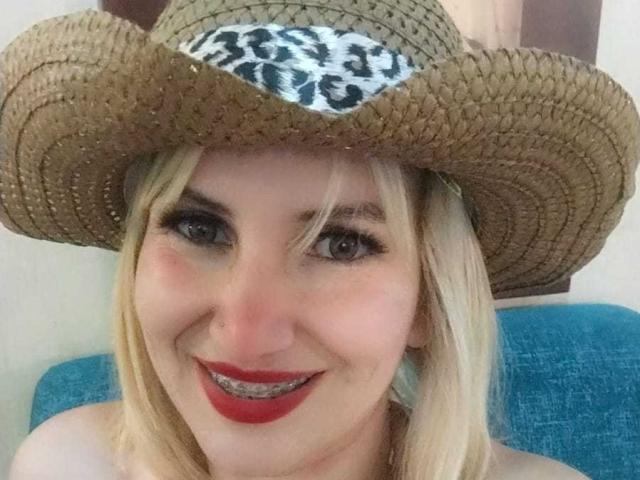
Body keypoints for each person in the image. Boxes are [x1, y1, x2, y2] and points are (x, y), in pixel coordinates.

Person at [2, 0, 638, 479]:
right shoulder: (66, 465)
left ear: (428, 296)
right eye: (200, 228)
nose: (248, 333)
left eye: (341, 244)